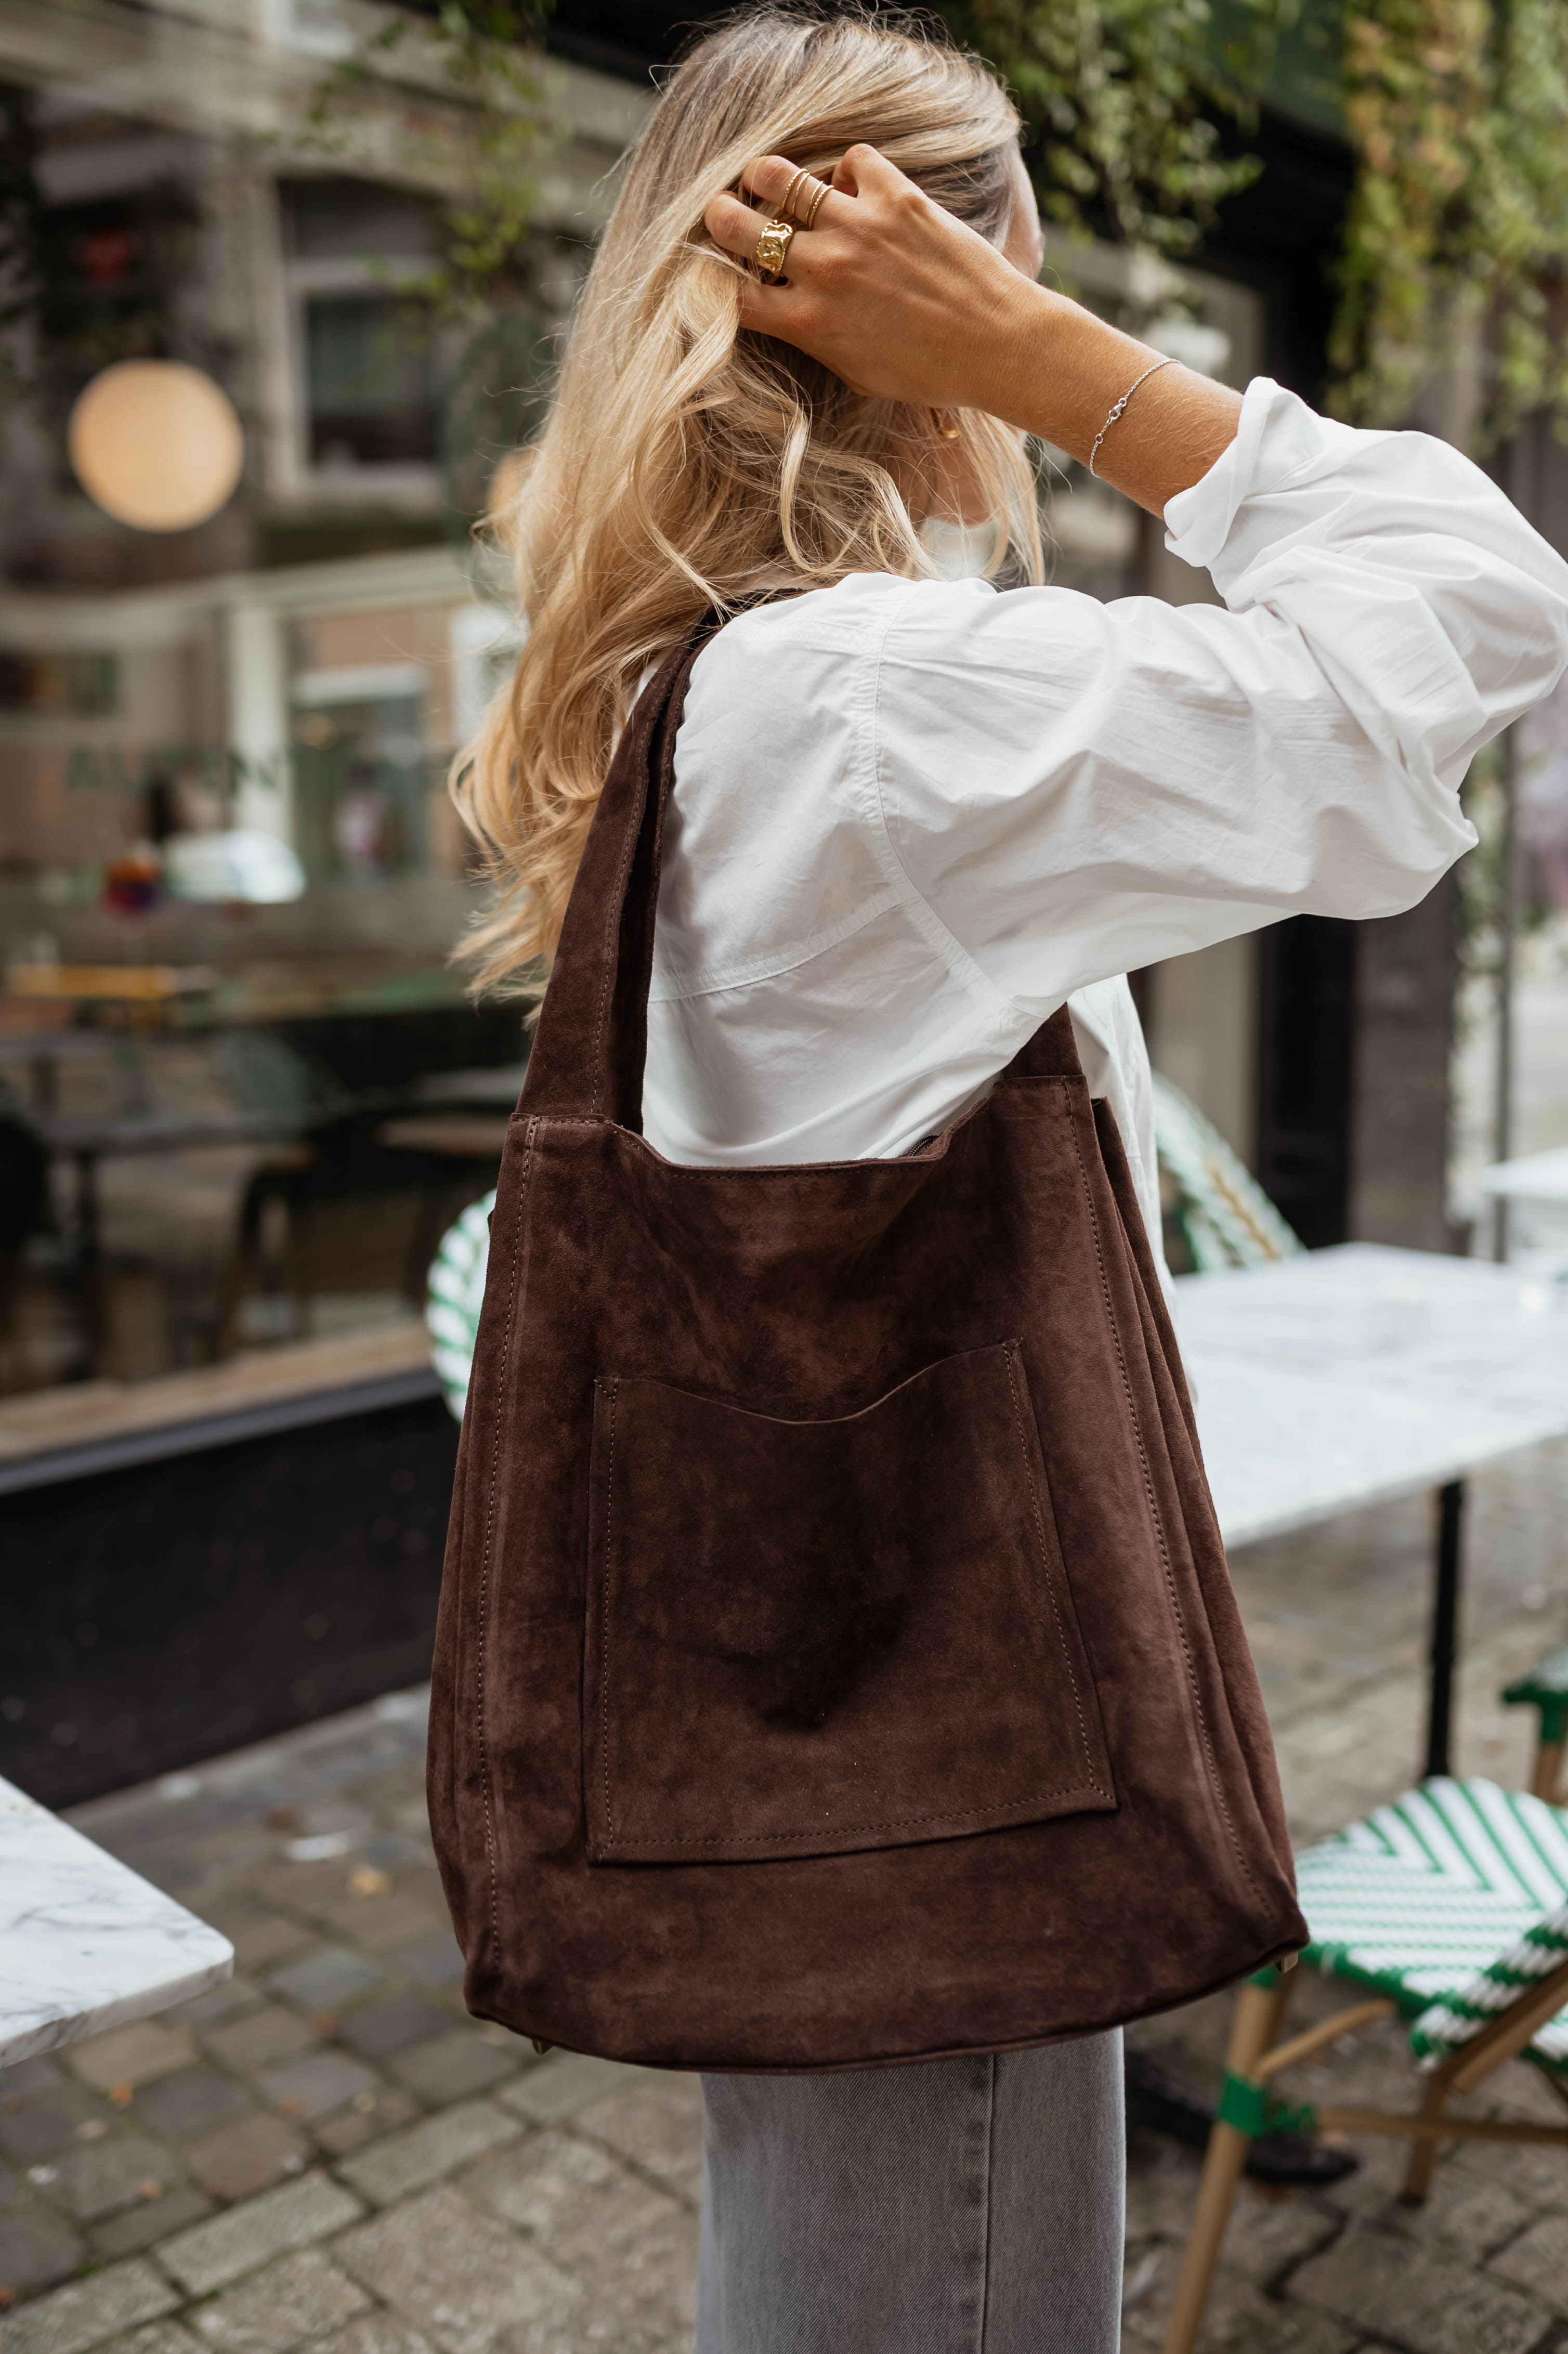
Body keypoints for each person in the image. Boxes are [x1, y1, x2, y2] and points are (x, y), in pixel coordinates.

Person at [451, 7, 1568, 2347]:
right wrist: (1085, 372)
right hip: (941, 1744)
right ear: (913, 318)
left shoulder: (721, 690)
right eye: (1012, 281)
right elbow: (1462, 626)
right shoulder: (859, 702)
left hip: (806, 1723)